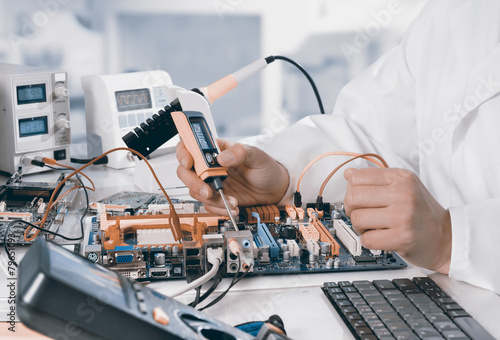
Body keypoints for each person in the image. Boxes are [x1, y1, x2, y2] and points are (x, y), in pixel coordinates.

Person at [176, 0, 500, 295]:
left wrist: (453, 239)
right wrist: (285, 176)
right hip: (439, 295)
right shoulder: (456, 12)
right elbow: (367, 134)